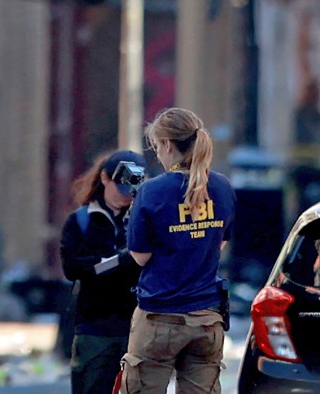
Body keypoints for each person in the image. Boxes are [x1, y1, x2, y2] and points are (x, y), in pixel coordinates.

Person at [121, 107, 236, 393]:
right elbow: (219, 243)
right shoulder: (222, 187)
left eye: (157, 146)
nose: (157, 154)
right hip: (208, 319)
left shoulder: (151, 191)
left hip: (160, 317)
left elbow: (139, 256)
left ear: (168, 145)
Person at [60, 149, 147, 394]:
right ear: (105, 179)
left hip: (137, 325)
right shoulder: (81, 221)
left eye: (131, 191)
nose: (125, 197)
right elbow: (73, 268)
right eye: (120, 188)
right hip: (95, 325)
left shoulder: (143, 220)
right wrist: (118, 261)